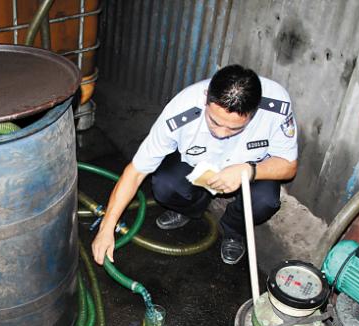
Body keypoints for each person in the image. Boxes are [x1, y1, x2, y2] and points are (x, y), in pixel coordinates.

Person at [92, 64, 298, 265]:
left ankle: (234, 230)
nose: (221, 133)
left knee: (265, 201)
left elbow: (289, 166)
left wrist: (249, 170)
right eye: (215, 122)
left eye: (234, 128)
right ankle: (189, 209)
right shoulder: (182, 108)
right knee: (165, 185)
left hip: (249, 166)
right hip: (199, 165)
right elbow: (136, 172)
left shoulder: (276, 107)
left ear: (254, 113)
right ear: (206, 98)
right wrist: (106, 228)